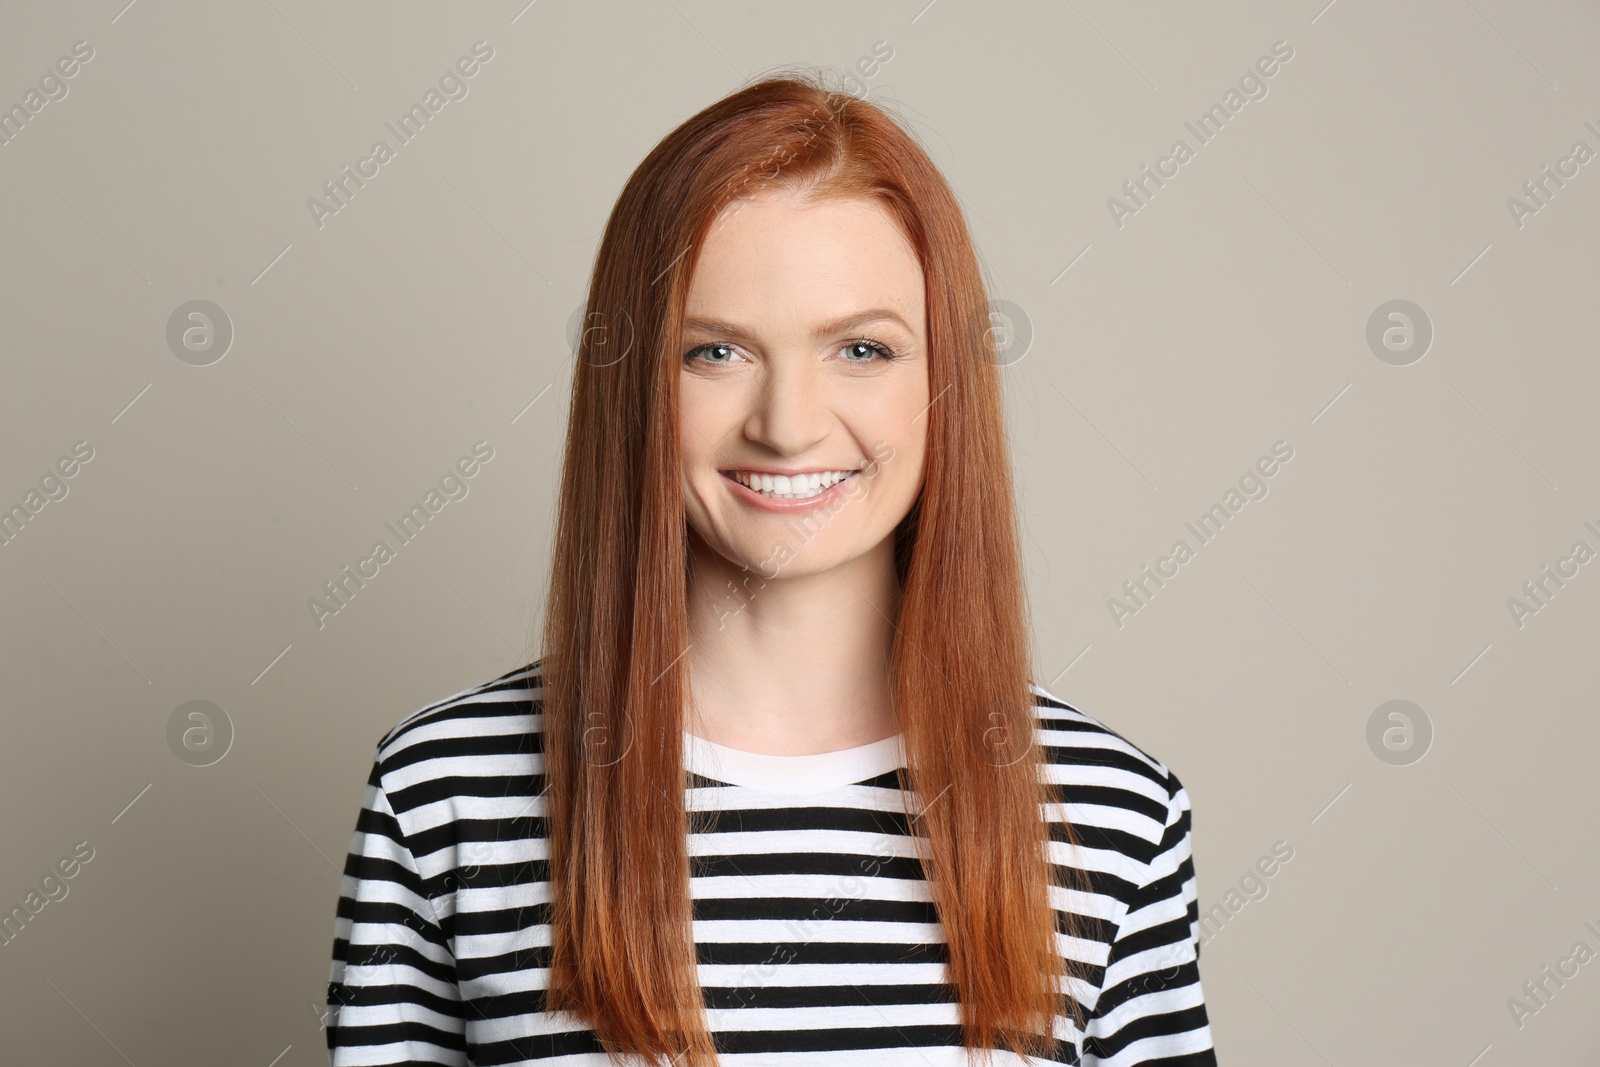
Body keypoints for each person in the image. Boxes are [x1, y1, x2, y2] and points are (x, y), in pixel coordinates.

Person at [324, 69, 1218, 1066]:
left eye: (863, 350)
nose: (787, 425)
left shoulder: (1107, 812)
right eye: (714, 353)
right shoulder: (447, 793)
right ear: (632, 387)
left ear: (946, 384)